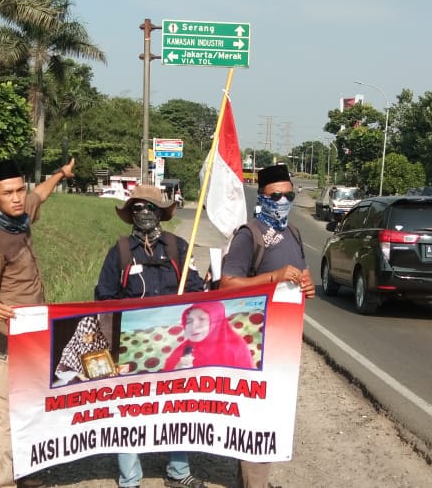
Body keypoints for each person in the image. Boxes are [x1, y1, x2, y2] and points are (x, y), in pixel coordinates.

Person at [0, 158, 75, 488]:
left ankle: (25, 472)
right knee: (3, 416)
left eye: (19, 190)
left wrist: (61, 174)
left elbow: (39, 194)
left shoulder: (19, 214)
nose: (17, 198)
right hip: (5, 343)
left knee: (29, 408)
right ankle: (2, 482)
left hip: (32, 338)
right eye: (8, 193)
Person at [94, 183, 207, 488]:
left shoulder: (178, 247)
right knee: (127, 410)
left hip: (175, 344)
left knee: (177, 406)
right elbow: (103, 298)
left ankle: (178, 471)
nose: (144, 212)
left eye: (150, 207)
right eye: (138, 208)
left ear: (160, 213)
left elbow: (195, 289)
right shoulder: (119, 252)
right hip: (132, 346)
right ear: (131, 214)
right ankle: (130, 478)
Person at [219, 163, 316, 488]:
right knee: (257, 418)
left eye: (289, 195)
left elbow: (300, 276)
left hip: (283, 342)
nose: (283, 201)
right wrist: (273, 278)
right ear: (261, 197)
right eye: (276, 196)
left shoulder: (294, 233)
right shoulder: (249, 235)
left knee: (273, 415)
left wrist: (307, 286)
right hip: (251, 342)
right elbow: (227, 284)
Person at [163, 301, 253, 371]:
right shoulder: (182, 351)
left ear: (216, 321)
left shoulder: (236, 346)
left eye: (202, 319)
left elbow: (248, 381)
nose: (193, 326)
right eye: (189, 321)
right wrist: (176, 373)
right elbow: (163, 382)